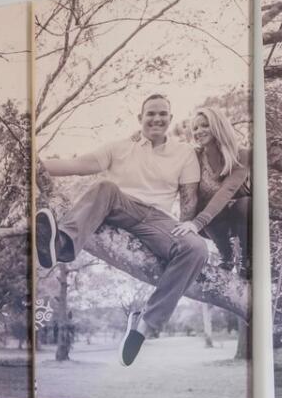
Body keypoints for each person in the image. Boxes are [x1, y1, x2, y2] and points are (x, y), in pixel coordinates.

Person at [34, 91, 208, 366]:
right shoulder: (119, 148)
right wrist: (34, 164)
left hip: (158, 219)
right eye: (151, 113)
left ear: (170, 118)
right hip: (119, 206)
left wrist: (188, 226)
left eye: (163, 114)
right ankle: (62, 245)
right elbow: (77, 165)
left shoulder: (184, 153)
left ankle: (144, 326)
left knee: (197, 248)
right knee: (105, 186)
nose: (157, 118)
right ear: (140, 118)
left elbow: (189, 199)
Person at [183, 105, 250, 274]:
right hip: (211, 223)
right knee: (204, 205)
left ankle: (247, 260)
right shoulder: (194, 157)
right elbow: (187, 193)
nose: (199, 131)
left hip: (240, 218)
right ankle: (226, 257)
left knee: (247, 203)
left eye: (205, 125)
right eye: (195, 128)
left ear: (218, 126)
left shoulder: (241, 155)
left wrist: (198, 222)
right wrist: (186, 226)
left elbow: (228, 190)